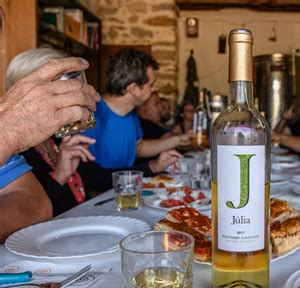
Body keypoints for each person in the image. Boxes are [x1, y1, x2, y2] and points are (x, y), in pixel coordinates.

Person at [6, 47, 181, 216]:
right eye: (61, 85)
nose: (72, 91)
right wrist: (60, 175)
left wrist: (153, 166)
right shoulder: (14, 148)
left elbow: (97, 176)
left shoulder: (58, 138)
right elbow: (29, 218)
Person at [0, 56, 99, 243]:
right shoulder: (17, 140)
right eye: (60, 85)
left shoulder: (55, 138)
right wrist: (6, 135)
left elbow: (37, 207)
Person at [83, 48, 191, 169]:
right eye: (150, 85)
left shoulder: (131, 111)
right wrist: (152, 168)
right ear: (133, 89)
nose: (153, 90)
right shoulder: (90, 115)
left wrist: (178, 140)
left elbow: (138, 148)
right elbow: (87, 176)